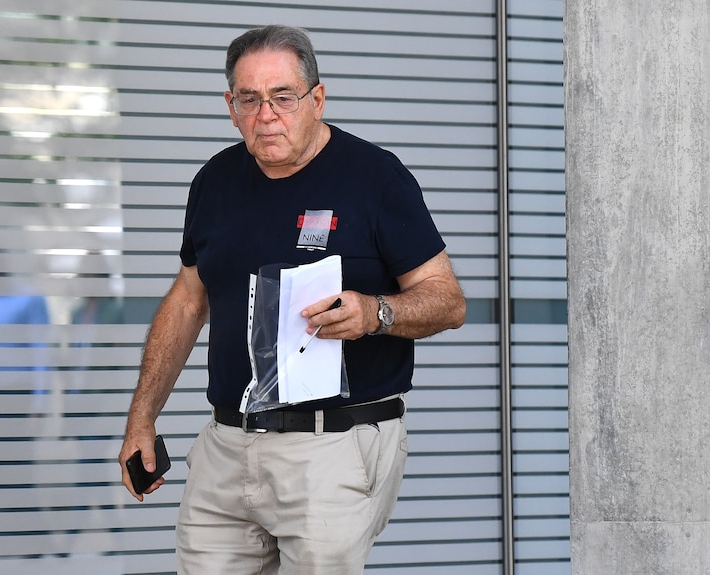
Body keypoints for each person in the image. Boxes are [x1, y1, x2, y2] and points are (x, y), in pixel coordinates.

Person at [119, 24, 466, 574]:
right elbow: (188, 300)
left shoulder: (376, 178)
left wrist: (375, 313)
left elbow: (447, 300)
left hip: (334, 447)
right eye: (249, 100)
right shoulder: (213, 182)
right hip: (228, 444)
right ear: (230, 106)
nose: (266, 115)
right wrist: (142, 416)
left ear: (316, 98)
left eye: (283, 97)